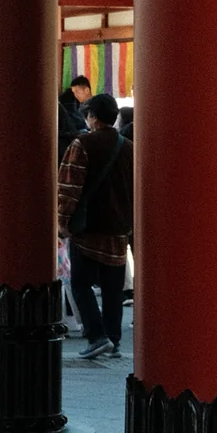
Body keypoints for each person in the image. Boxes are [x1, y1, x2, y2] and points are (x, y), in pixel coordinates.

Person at [60, 91, 133, 360]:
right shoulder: (128, 147)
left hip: (88, 228)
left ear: (92, 116)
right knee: (113, 286)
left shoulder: (82, 145)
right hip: (118, 228)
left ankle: (96, 335)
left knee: (80, 283)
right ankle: (113, 338)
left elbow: (69, 186)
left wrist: (63, 221)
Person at [58, 70, 94, 152]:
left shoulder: (94, 106)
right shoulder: (75, 105)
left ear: (87, 90)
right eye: (74, 92)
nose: (75, 95)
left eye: (77, 91)